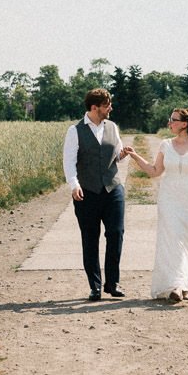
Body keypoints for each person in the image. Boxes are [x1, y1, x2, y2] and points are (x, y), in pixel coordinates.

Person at [123, 107, 188, 303]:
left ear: (184, 124)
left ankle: (186, 286)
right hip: (170, 201)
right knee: (173, 243)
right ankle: (176, 286)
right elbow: (154, 171)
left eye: (173, 120)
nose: (170, 123)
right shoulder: (165, 145)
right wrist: (135, 156)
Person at [62, 88, 128, 301]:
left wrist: (122, 154)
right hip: (87, 192)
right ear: (94, 107)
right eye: (107, 105)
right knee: (90, 239)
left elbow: (115, 155)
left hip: (113, 188)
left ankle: (112, 283)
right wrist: (74, 185)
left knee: (116, 233)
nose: (111, 108)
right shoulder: (75, 131)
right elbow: (69, 161)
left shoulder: (113, 127)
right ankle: (95, 286)